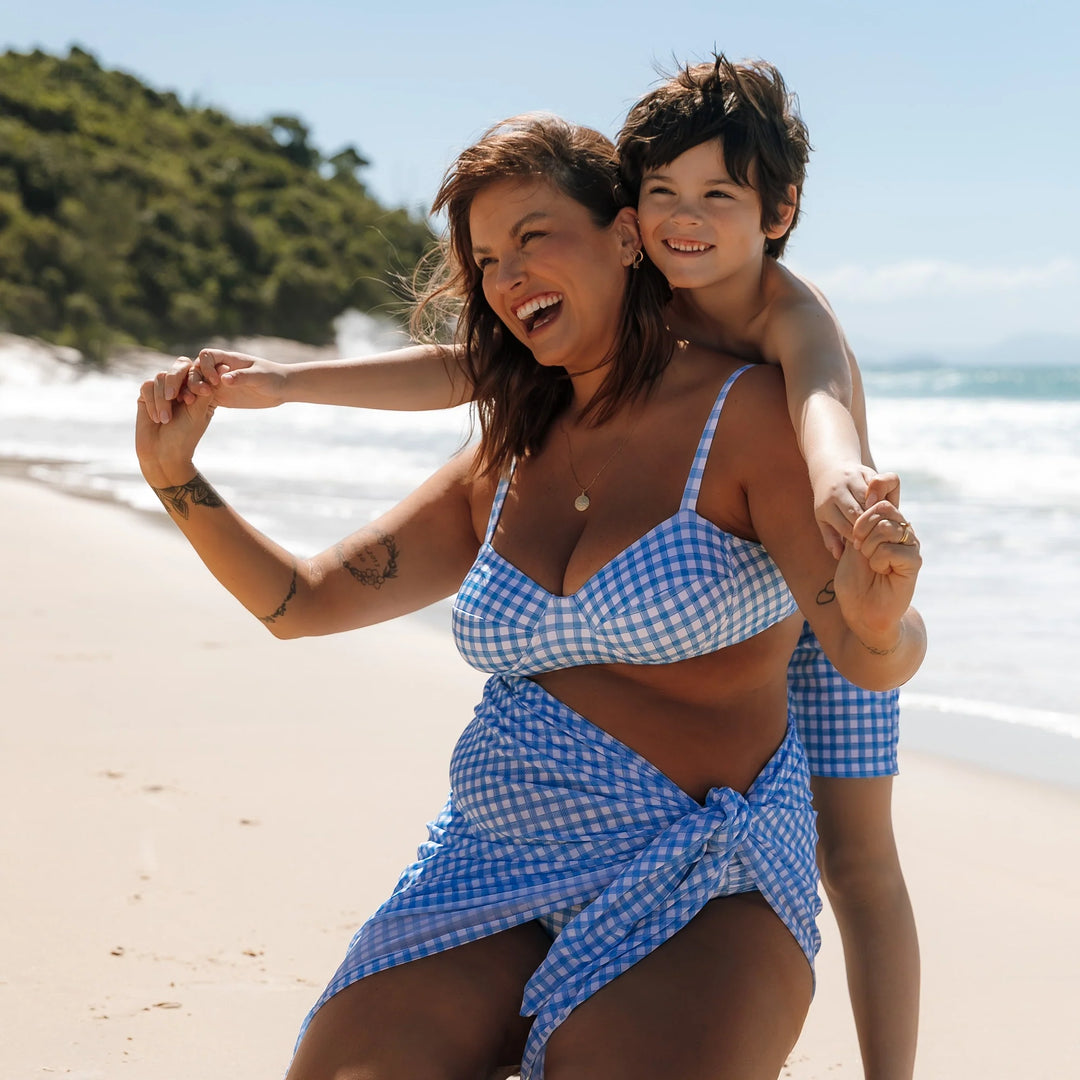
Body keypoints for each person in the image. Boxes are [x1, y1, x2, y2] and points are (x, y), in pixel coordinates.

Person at [145, 56, 919, 1080]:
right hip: (496, 854)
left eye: (532, 239)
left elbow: (834, 470)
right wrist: (179, 478)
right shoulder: (510, 434)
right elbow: (303, 600)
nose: (506, 276)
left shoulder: (762, 378)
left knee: (862, 857)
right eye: (484, 259)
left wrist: (864, 569)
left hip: (697, 866)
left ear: (624, 240)